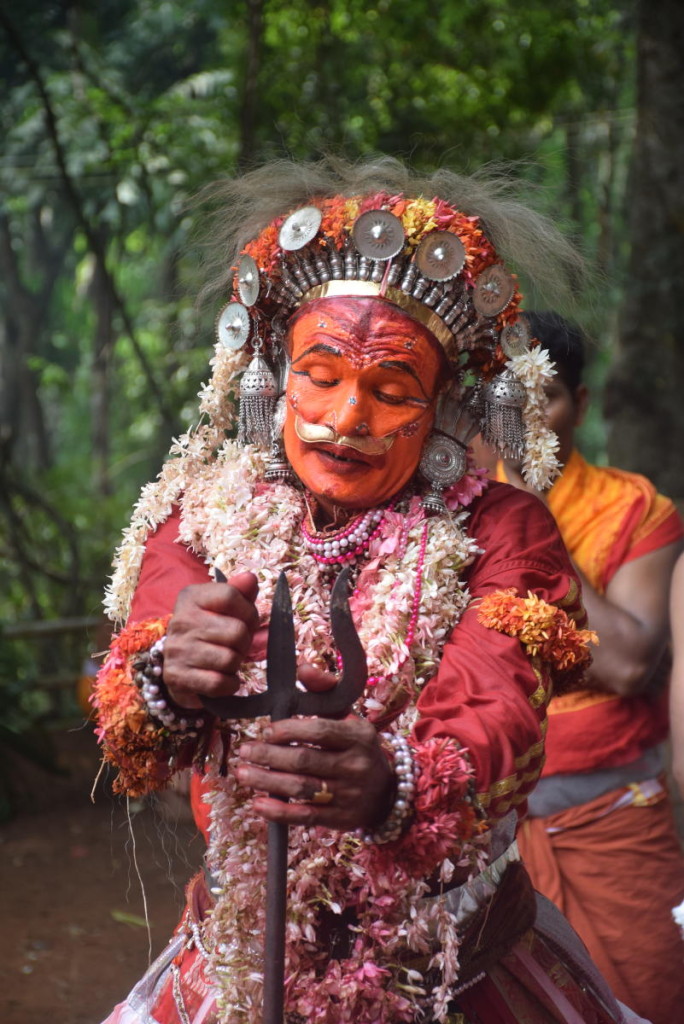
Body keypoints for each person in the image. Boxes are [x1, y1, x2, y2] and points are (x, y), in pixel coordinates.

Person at [92, 159, 648, 1024]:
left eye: (391, 391)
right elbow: (132, 711)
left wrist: (393, 783)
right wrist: (170, 675)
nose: (348, 419)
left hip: (450, 976)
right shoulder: (199, 517)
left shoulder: (503, 529)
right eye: (321, 375)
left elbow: (498, 714)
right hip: (236, 968)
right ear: (273, 379)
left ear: (439, 409)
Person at [494, 311, 684, 1024]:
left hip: (613, 820)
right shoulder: (459, 505)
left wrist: (534, 518)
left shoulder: (639, 511)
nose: (528, 416)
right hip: (492, 827)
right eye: (511, 397)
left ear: (580, 402)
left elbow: (630, 663)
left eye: (547, 395)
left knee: (652, 999)